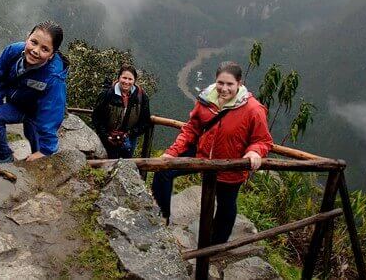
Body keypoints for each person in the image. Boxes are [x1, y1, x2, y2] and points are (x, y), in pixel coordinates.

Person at [151, 61, 273, 244]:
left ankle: (216, 245)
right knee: (163, 170)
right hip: (202, 154)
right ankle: (162, 217)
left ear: (240, 83)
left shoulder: (253, 110)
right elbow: (191, 129)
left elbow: (263, 140)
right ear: (215, 81)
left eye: (230, 84)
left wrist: (255, 152)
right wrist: (173, 152)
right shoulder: (207, 100)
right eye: (220, 83)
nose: (224, 88)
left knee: (225, 205)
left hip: (229, 165)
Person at [0, 21, 69, 166]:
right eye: (34, 42)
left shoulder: (53, 77)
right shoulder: (13, 52)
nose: (36, 50)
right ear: (27, 38)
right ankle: (0, 157)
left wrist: (46, 150)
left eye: (44, 49)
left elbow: (51, 113)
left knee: (40, 156)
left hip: (37, 113)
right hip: (17, 105)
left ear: (51, 54)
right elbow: (2, 78)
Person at [91, 64, 152, 159]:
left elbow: (145, 121)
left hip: (130, 139)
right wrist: (106, 136)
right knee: (107, 165)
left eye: (130, 79)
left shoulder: (141, 96)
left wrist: (129, 134)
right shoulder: (108, 94)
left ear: (134, 80)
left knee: (125, 166)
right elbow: (96, 117)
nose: (126, 82)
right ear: (119, 77)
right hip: (108, 138)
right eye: (124, 78)